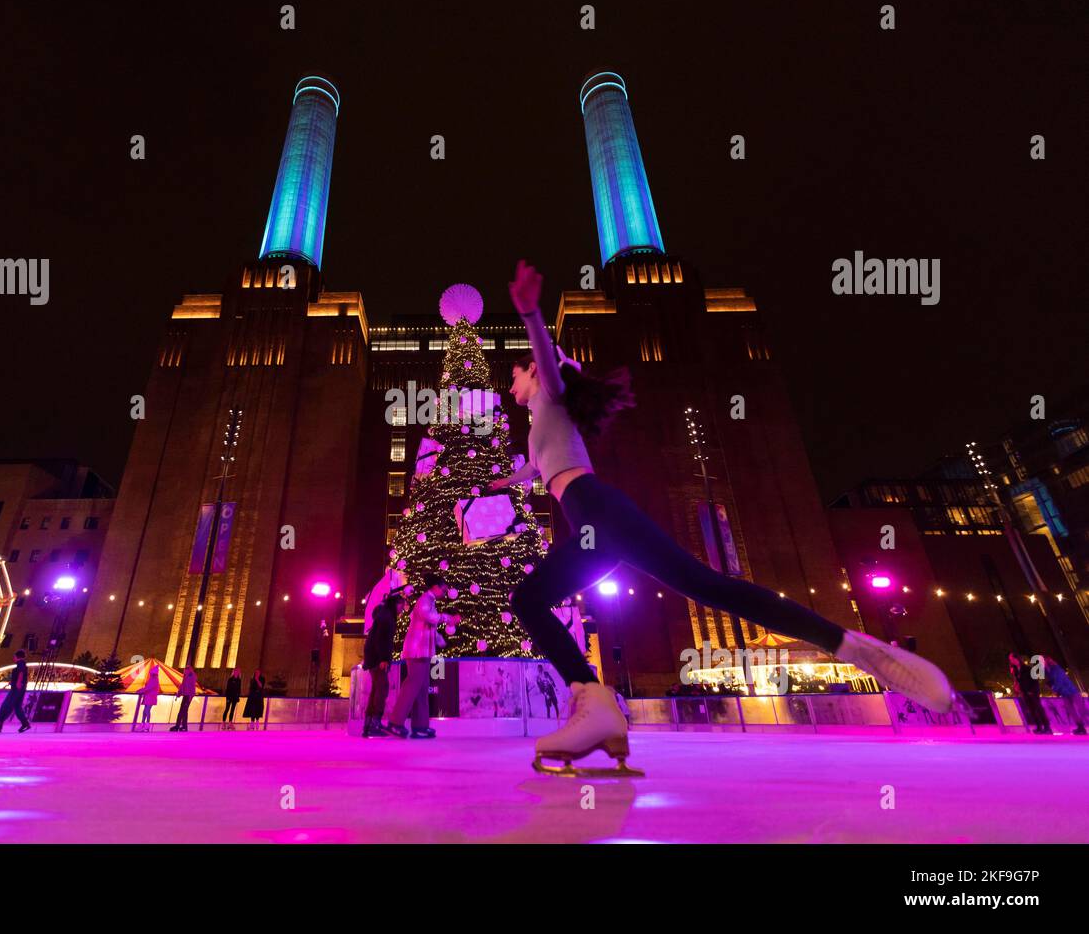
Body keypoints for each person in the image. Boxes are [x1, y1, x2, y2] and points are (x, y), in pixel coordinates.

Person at [491, 260, 956, 774]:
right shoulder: (542, 422)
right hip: (594, 523)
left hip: (597, 512)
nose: (512, 377)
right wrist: (503, 484)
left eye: (517, 369)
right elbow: (538, 469)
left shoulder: (552, 396)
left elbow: (549, 370)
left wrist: (532, 312)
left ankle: (598, 704)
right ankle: (846, 643)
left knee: (536, 598)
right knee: (705, 587)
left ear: (536, 370)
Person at [383, 574, 457, 739]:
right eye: (444, 589)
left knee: (422, 688)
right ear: (435, 587)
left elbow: (428, 625)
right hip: (416, 651)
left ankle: (420, 726)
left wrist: (439, 639)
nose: (445, 593)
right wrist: (447, 618)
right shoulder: (425, 600)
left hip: (423, 651)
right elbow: (429, 617)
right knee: (412, 685)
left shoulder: (431, 602)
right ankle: (395, 723)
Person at [361, 590, 404, 737]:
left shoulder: (384, 615)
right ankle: (374, 723)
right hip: (377, 658)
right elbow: (382, 640)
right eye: (401, 606)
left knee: (376, 689)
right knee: (382, 688)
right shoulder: (387, 618)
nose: (402, 610)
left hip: (373, 657)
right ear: (395, 604)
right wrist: (384, 659)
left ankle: (368, 724)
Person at [0, 650, 31, 733]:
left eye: (14, 656)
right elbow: (21, 673)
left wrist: (17, 682)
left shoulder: (20, 663)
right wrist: (14, 681)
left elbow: (21, 672)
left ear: (17, 656)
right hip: (20, 689)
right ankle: (25, 723)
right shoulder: (22, 664)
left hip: (16, 689)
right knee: (17, 707)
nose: (13, 658)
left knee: (5, 706)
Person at [1008, 653, 1050, 734]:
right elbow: (1019, 681)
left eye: (1013, 659)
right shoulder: (1016, 670)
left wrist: (1031, 691)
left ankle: (1046, 726)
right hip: (1025, 692)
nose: (1012, 661)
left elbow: (1034, 681)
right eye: (1011, 660)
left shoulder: (1027, 668)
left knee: (1038, 708)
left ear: (1017, 659)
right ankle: (1039, 726)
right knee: (1031, 710)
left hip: (1032, 691)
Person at [1044, 657, 1087, 735]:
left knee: (1080, 709)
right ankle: (1080, 727)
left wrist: (1055, 690)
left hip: (1071, 691)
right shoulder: (1048, 671)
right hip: (1065, 693)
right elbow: (1052, 681)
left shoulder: (1056, 669)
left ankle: (1082, 726)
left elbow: (1059, 681)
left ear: (1046, 661)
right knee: (1072, 711)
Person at [171, 665, 197, 731]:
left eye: (186, 669)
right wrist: (179, 693)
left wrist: (190, 697)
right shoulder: (186, 676)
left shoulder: (192, 676)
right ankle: (180, 726)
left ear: (189, 670)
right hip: (186, 695)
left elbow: (191, 688)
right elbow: (182, 685)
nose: (184, 671)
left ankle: (182, 726)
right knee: (182, 711)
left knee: (184, 711)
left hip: (188, 696)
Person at [136, 662, 161, 731]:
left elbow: (148, 687)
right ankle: (143, 723)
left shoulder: (154, 679)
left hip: (150, 696)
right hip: (148, 696)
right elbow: (148, 687)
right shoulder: (153, 679)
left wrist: (140, 690)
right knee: (145, 710)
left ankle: (146, 724)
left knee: (147, 710)